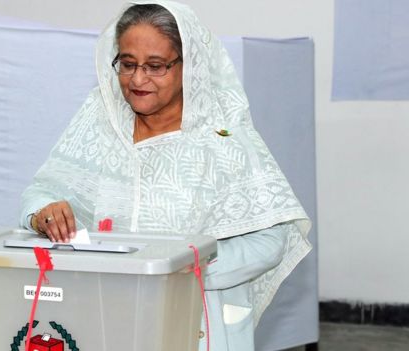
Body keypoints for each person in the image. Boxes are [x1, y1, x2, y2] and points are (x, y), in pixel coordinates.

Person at [20, 1, 312, 350]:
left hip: (195, 320)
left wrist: (184, 269)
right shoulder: (100, 119)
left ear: (188, 66)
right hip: (105, 315)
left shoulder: (220, 137)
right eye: (127, 64)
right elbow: (42, 191)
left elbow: (269, 241)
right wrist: (43, 213)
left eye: (155, 66)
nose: (138, 79)